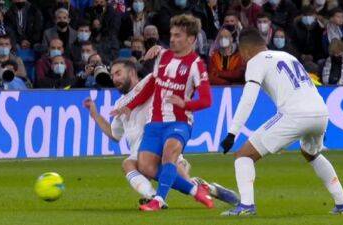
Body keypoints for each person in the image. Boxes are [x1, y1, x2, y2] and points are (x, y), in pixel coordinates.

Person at [220, 28, 343, 216]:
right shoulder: (286, 55)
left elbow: (248, 98)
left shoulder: (255, 61)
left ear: (245, 50)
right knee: (310, 153)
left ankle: (246, 207)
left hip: (295, 115)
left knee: (243, 155)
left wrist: (233, 133)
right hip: (321, 112)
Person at [83, 58, 240, 208]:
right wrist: (95, 114)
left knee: (184, 182)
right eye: (112, 75)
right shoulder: (119, 104)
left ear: (131, 73)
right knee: (128, 164)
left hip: (159, 147)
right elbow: (114, 135)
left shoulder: (150, 84)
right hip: (139, 153)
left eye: (118, 73)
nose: (115, 79)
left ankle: (205, 189)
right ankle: (155, 197)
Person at [112, 14, 213, 211]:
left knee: (169, 155)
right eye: (172, 35)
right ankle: (195, 190)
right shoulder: (163, 56)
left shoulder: (196, 65)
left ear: (191, 40)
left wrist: (185, 104)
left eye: (178, 36)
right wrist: (130, 106)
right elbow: (151, 87)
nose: (172, 39)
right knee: (147, 167)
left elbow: (207, 100)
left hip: (180, 121)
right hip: (154, 122)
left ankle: (158, 200)